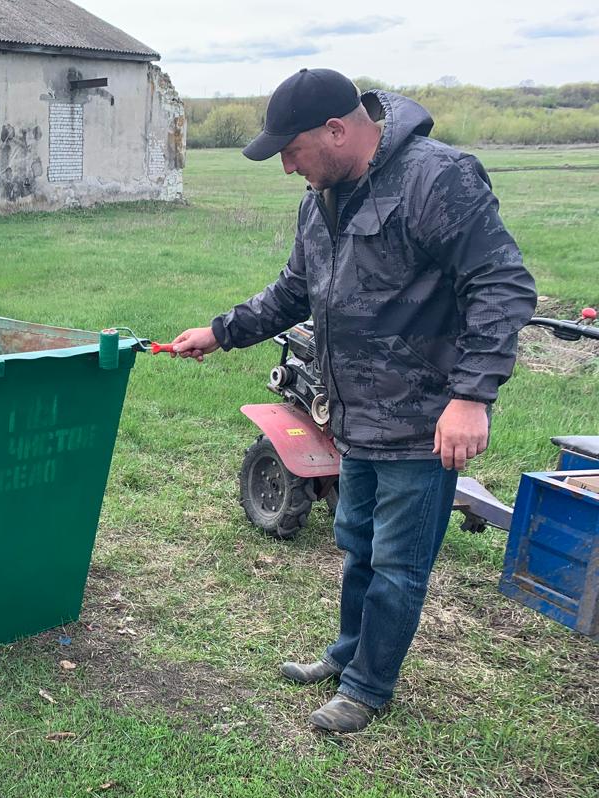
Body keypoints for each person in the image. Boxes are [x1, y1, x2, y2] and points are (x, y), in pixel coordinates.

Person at [172, 68, 536, 733]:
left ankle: (368, 688)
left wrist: (472, 396)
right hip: (351, 416)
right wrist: (220, 333)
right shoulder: (320, 198)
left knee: (398, 564)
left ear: (337, 131)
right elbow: (291, 293)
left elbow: (503, 285)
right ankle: (346, 657)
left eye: (291, 151)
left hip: (423, 421)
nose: (286, 167)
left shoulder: (437, 178)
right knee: (358, 548)